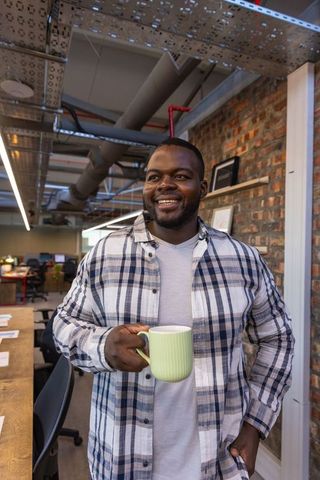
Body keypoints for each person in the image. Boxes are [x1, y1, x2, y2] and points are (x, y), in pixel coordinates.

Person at [53, 137, 294, 480]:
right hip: (121, 455)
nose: (164, 184)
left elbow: (279, 338)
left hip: (218, 459)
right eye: (154, 177)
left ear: (203, 188)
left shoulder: (241, 259)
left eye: (180, 175)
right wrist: (103, 345)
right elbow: (63, 324)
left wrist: (255, 424)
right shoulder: (106, 255)